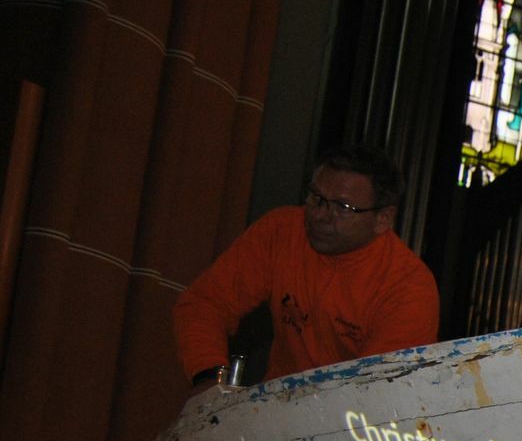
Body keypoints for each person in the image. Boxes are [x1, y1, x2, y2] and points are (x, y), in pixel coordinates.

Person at [174, 144, 439, 390]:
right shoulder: (282, 231)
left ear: (383, 219)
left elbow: (378, 387)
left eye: (342, 207)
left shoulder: (408, 286)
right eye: (316, 197)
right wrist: (209, 378)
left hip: (352, 415)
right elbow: (205, 304)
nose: (319, 215)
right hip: (272, 405)